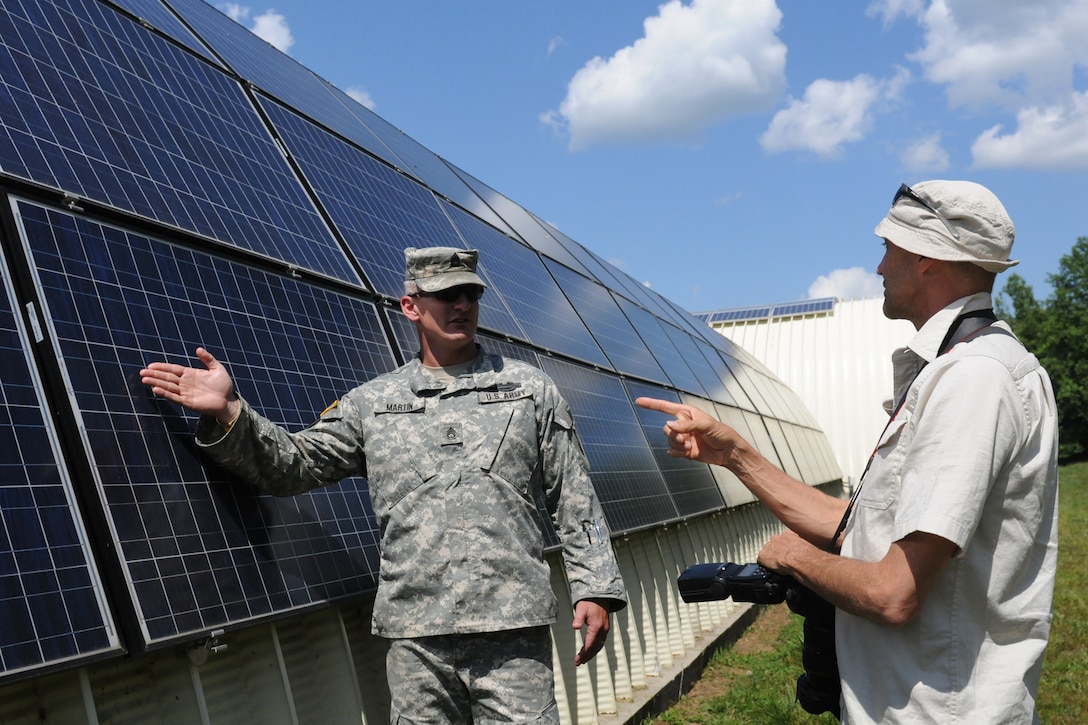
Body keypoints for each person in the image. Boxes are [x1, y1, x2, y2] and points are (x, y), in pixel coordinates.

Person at [141, 246, 627, 723]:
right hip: (416, 635)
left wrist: (596, 589)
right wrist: (229, 412)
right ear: (411, 306)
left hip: (511, 630)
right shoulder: (372, 404)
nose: (462, 305)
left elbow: (573, 496)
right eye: (447, 295)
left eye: (471, 295)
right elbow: (295, 464)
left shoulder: (529, 389)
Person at [638, 180, 1058, 724]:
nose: (880, 268)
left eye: (888, 249)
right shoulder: (963, 369)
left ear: (927, 258)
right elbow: (863, 528)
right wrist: (735, 454)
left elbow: (893, 591)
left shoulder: (973, 379)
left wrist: (796, 558)